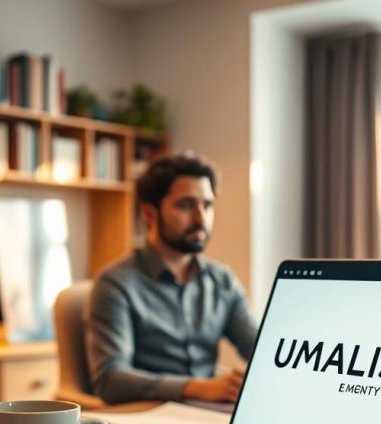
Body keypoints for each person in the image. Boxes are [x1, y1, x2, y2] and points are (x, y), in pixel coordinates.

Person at [86, 153, 258, 404]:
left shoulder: (223, 281)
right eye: (186, 205)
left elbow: (259, 350)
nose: (201, 219)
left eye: (207, 205)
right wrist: (196, 387)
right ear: (149, 214)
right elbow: (111, 380)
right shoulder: (115, 284)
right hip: (148, 420)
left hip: (208, 415)